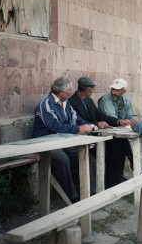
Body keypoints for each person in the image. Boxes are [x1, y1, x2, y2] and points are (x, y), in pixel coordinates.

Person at [32, 75, 98, 203]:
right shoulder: (46, 104)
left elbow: (76, 118)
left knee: (84, 155)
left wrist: (89, 125)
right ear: (60, 92)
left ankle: (90, 193)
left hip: (63, 141)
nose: (71, 92)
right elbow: (55, 127)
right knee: (62, 160)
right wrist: (78, 129)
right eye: (69, 90)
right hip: (45, 142)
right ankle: (72, 197)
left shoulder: (66, 103)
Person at [68, 76, 124, 191]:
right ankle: (106, 183)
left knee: (119, 143)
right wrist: (97, 124)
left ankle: (114, 179)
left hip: (94, 133)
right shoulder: (72, 102)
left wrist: (118, 121)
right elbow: (81, 122)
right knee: (111, 147)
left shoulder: (88, 100)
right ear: (87, 90)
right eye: (92, 90)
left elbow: (100, 115)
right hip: (82, 136)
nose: (93, 92)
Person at [98, 78, 139, 187]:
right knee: (119, 149)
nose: (114, 92)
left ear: (123, 91)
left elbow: (131, 114)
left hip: (120, 131)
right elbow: (111, 117)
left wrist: (134, 120)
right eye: (113, 89)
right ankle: (130, 162)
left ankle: (119, 175)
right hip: (108, 131)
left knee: (122, 147)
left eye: (117, 90)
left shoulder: (126, 99)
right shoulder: (106, 99)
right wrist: (122, 121)